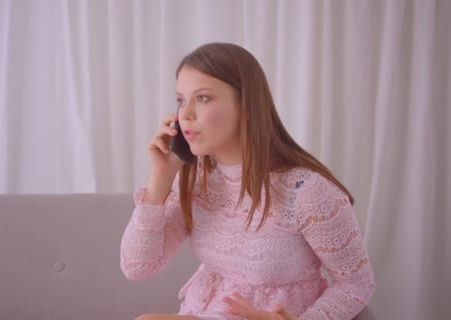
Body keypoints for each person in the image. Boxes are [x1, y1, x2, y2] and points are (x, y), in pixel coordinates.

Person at [120, 42, 376, 320]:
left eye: (203, 98)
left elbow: (356, 284)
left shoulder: (306, 191)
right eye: (181, 100)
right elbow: (136, 267)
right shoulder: (197, 179)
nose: (185, 115)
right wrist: (160, 178)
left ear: (247, 105)